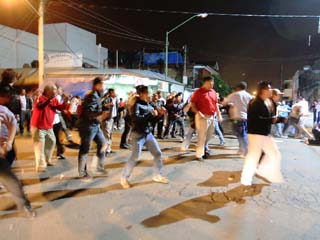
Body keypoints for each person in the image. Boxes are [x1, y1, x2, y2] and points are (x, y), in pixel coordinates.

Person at [120, 85, 169, 189]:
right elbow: (136, 120)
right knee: (135, 157)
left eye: (150, 93)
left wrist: (159, 114)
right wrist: (151, 115)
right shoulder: (136, 105)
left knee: (157, 153)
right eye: (148, 93)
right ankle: (124, 178)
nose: (150, 95)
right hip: (138, 134)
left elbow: (152, 120)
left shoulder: (150, 104)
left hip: (148, 134)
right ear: (142, 94)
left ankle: (157, 175)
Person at [0, 85, 36, 217]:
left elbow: (13, 123)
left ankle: (25, 207)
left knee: (13, 182)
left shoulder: (3, 110)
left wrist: (8, 142)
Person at [241, 81, 284, 186]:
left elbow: (268, 118)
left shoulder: (267, 102)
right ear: (263, 90)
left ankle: (265, 172)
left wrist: (278, 120)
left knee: (274, 154)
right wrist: (273, 120)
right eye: (269, 88)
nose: (270, 90)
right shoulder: (255, 103)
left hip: (264, 134)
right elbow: (256, 119)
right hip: (256, 134)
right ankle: (246, 179)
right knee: (253, 156)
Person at [30, 83, 66, 172]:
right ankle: (40, 166)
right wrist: (49, 100)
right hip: (38, 127)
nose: (56, 91)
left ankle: (47, 160)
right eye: (54, 89)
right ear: (48, 91)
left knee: (52, 142)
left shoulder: (54, 99)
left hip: (49, 127)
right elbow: (40, 106)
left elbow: (60, 108)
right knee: (39, 147)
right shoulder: (40, 98)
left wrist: (65, 101)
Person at [78, 77, 109, 181]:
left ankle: (98, 167)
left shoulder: (96, 95)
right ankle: (82, 173)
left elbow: (95, 109)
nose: (103, 87)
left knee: (103, 144)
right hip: (87, 126)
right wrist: (101, 113)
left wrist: (104, 109)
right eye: (101, 85)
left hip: (95, 125)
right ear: (96, 85)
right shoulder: (92, 96)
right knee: (85, 149)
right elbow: (88, 113)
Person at [190, 76, 220, 160]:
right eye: (210, 83)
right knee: (202, 136)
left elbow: (216, 104)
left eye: (212, 83)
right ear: (205, 83)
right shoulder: (198, 92)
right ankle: (199, 154)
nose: (212, 85)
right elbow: (192, 104)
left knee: (210, 135)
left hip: (212, 116)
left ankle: (204, 147)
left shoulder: (213, 92)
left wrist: (219, 114)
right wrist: (198, 112)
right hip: (202, 117)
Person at [223, 81, 252, 156]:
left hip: (238, 118)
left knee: (240, 134)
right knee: (243, 133)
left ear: (238, 87)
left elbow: (224, 102)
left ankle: (246, 150)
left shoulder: (235, 94)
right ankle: (242, 149)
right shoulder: (249, 96)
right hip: (246, 118)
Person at [101, 88, 118, 154]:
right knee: (106, 135)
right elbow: (101, 105)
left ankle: (109, 149)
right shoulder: (107, 99)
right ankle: (105, 149)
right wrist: (108, 105)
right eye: (114, 92)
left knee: (110, 135)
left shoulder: (115, 99)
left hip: (112, 118)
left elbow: (116, 109)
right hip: (106, 119)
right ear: (110, 93)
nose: (115, 93)